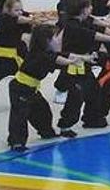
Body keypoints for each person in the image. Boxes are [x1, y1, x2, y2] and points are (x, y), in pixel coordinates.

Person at [7, 24, 95, 152]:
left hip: (33, 89)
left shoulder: (48, 53)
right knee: (19, 116)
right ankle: (16, 141)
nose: (60, 40)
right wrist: (71, 62)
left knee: (43, 111)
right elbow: (60, 60)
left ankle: (46, 131)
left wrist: (86, 58)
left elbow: (67, 55)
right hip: (20, 88)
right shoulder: (40, 54)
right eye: (56, 37)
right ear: (47, 41)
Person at [56, 0, 110, 136]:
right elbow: (92, 34)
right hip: (72, 64)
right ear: (82, 9)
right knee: (76, 96)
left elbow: (100, 27)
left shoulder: (85, 20)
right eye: (89, 6)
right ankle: (65, 125)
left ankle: (91, 118)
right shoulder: (71, 25)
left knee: (94, 90)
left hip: (84, 63)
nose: (91, 8)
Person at [0, 0, 37, 114]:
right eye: (16, 10)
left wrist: (33, 22)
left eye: (21, 10)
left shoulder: (22, 20)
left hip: (17, 55)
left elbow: (28, 27)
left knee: (30, 75)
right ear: (7, 9)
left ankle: (32, 98)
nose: (19, 12)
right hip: (0, 56)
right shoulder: (1, 19)